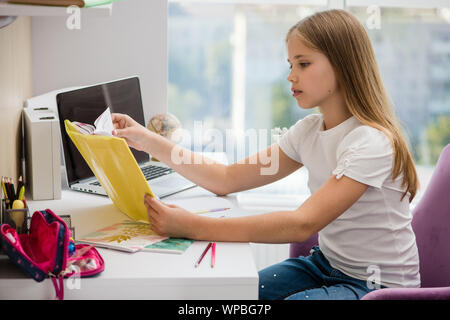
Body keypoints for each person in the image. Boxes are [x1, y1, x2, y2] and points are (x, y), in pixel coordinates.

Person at [111, 9, 420, 300]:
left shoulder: (371, 143)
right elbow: (227, 179)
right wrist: (149, 141)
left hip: (377, 285)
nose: (291, 76)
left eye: (303, 63)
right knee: (234, 295)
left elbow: (302, 224)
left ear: (342, 65)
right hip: (324, 266)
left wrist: (191, 226)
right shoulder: (309, 131)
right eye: (290, 65)